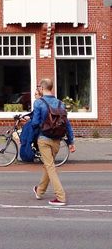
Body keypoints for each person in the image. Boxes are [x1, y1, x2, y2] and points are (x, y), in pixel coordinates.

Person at [30, 78, 76, 206]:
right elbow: (67, 124)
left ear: (42, 88)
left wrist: (30, 135)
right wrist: (71, 141)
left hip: (44, 139)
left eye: (39, 86)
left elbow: (35, 123)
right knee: (48, 166)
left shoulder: (39, 103)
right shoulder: (60, 103)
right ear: (51, 88)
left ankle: (61, 197)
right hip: (57, 141)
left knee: (50, 167)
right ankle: (39, 191)